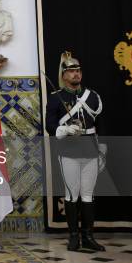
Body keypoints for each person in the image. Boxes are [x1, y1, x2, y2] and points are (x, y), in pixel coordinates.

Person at [45, 52, 105, 252]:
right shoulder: (56, 99)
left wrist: (103, 148)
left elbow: (100, 124)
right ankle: (73, 237)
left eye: (78, 71)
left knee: (88, 195)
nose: (76, 74)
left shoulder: (92, 96)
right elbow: (50, 126)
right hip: (68, 151)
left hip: (90, 150)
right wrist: (63, 130)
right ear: (63, 75)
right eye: (71, 71)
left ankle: (88, 236)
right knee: (72, 195)